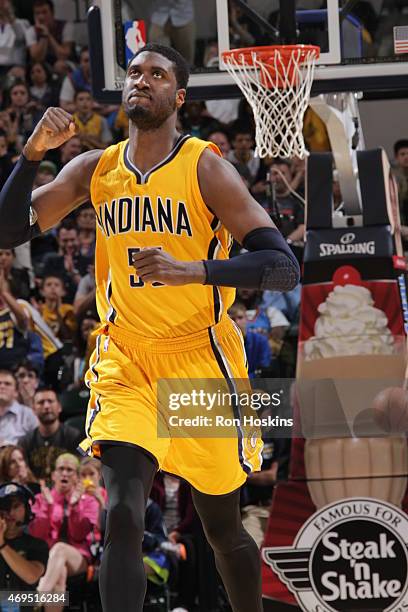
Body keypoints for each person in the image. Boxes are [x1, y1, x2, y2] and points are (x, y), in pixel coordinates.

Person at [0, 42, 299, 612]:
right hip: (126, 357)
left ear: (178, 96)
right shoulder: (96, 168)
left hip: (199, 361)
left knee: (222, 531)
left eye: (157, 74)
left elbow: (281, 265)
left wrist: (194, 270)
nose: (142, 79)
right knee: (122, 513)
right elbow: (7, 231)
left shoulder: (204, 166)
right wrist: (31, 153)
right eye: (134, 72)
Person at [29, 453, 99, 608]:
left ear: (76, 477)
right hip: (46, 557)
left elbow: (79, 535)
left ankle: (37, 597)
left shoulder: (88, 501)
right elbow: (36, 534)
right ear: (54, 475)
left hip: (78, 557)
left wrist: (75, 507)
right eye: (61, 469)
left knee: (60, 549)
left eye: (70, 470)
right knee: (59, 573)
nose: (65, 473)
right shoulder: (41, 499)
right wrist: (47, 508)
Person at [18, 387, 83, 481]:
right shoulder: (25, 442)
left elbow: (81, 470)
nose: (46, 406)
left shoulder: (74, 436)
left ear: (59, 407)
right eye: (41, 402)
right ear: (33, 409)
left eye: (50, 401)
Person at [0, 482, 48, 598]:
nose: (10, 513)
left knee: (58, 597)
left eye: (16, 506)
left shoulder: (37, 545)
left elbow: (32, 576)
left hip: (25, 605)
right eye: (5, 507)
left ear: (26, 510)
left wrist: (1, 545)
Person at [0, 370, 38, 446]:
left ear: (16, 392)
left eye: (7, 384)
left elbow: (37, 443)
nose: (2, 386)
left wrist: (6, 445)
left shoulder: (29, 414)